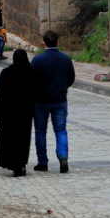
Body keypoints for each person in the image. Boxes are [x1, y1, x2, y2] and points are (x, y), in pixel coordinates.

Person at [31, 29, 75, 174]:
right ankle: (63, 157)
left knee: (40, 131)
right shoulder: (65, 59)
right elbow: (71, 78)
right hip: (60, 99)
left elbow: (33, 80)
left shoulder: (37, 60)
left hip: (41, 100)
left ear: (44, 42)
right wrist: (62, 87)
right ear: (58, 41)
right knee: (61, 130)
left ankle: (42, 162)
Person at [0, 49, 37, 177]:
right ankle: (21, 163)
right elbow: (36, 93)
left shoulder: (6, 73)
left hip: (8, 113)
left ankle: (11, 163)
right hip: (25, 113)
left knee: (9, 139)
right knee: (23, 139)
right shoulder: (33, 73)